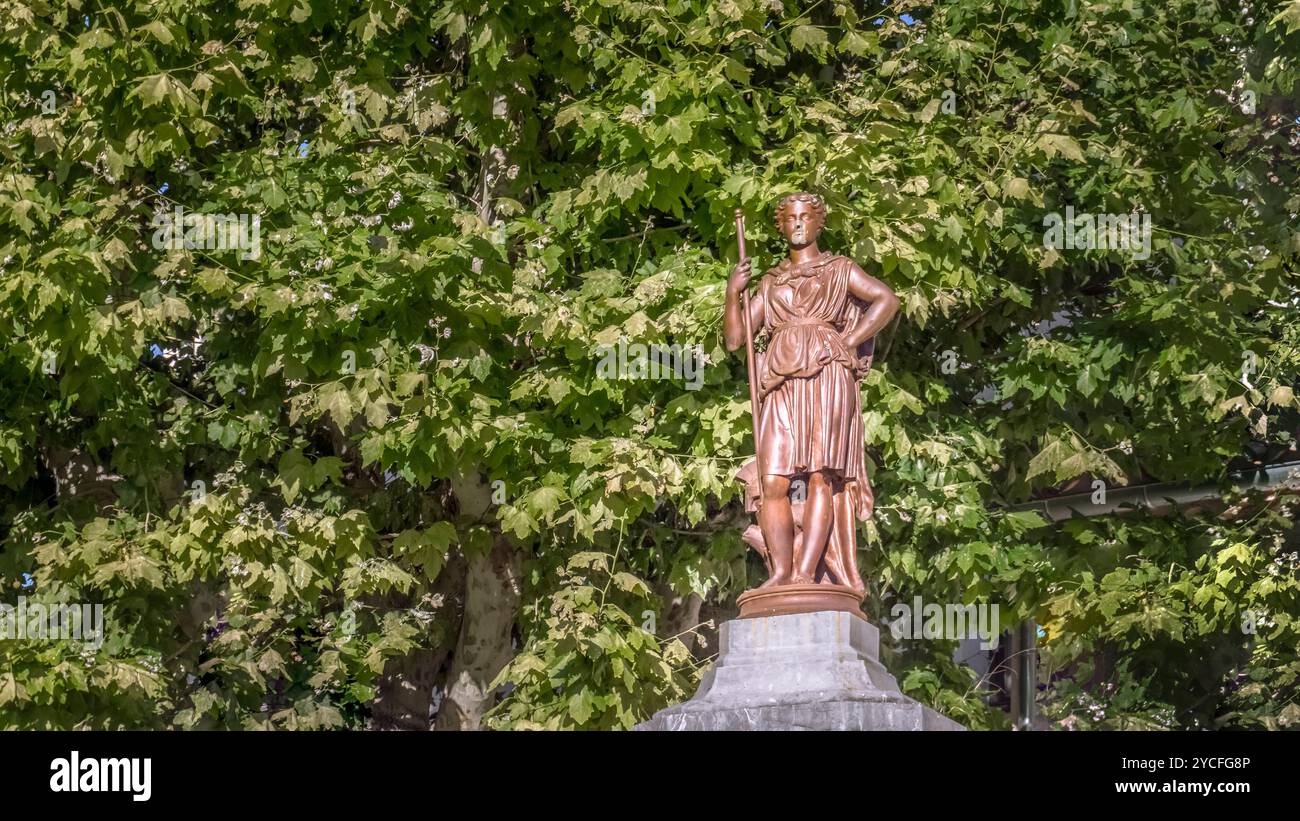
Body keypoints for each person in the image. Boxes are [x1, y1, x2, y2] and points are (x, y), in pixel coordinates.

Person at [723, 192, 900, 591]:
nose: (798, 223)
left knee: (823, 476)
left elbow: (887, 299)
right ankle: (782, 573)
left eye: (805, 216)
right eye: (790, 218)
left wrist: (849, 340)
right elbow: (736, 340)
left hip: (827, 376)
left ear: (819, 223)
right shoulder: (769, 282)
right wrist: (733, 293)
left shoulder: (839, 268)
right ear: (780, 226)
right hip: (781, 382)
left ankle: (805, 573)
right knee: (773, 481)